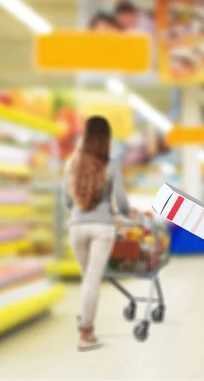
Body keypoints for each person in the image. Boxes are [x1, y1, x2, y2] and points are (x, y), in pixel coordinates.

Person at [62, 116, 131, 352]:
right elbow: (121, 201)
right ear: (106, 138)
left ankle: (85, 322)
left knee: (87, 281)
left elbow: (67, 200)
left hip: (76, 227)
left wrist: (80, 211)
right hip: (102, 228)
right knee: (93, 281)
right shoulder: (110, 165)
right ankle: (85, 332)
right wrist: (124, 213)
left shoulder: (72, 163)